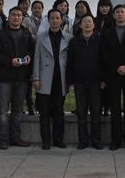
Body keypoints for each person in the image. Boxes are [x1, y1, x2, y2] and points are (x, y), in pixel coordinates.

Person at [0, 7, 35, 150]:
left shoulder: (27, 34)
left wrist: (29, 57)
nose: (16, 17)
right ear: (8, 17)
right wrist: (10, 61)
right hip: (4, 78)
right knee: (2, 111)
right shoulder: (1, 34)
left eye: (19, 15)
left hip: (22, 78)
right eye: (13, 15)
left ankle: (16, 138)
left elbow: (33, 51)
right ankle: (3, 139)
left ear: (22, 18)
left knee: (17, 110)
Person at [100, 4, 125, 150]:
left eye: (122, 12)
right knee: (115, 108)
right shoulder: (106, 33)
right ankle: (115, 140)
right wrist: (117, 66)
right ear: (113, 15)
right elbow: (104, 54)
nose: (120, 14)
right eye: (117, 12)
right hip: (113, 74)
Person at [33, 9, 72, 150]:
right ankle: (46, 141)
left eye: (57, 18)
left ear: (61, 20)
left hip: (60, 80)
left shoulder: (68, 38)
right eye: (52, 18)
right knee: (44, 113)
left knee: (59, 112)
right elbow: (36, 58)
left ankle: (58, 140)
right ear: (48, 20)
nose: (54, 20)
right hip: (44, 80)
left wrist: (70, 80)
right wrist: (36, 78)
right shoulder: (41, 37)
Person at [66, 14, 104, 150]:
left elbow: (104, 61)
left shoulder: (100, 40)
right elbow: (69, 63)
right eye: (85, 22)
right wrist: (70, 81)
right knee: (81, 113)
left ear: (94, 25)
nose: (87, 24)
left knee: (95, 113)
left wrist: (103, 79)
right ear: (80, 25)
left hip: (96, 82)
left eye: (90, 22)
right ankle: (83, 141)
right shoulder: (74, 42)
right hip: (79, 82)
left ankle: (96, 140)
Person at [22, 0, 44, 115]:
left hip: (43, 54)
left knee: (42, 81)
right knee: (29, 82)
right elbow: (25, 35)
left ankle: (40, 105)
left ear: (42, 9)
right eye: (35, 7)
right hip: (30, 52)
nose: (37, 10)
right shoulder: (26, 20)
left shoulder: (46, 20)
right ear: (31, 9)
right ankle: (30, 106)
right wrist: (38, 38)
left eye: (39, 8)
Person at [94, 0, 113, 116]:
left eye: (106, 6)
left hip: (109, 56)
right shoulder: (95, 21)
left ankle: (107, 107)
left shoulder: (113, 21)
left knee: (108, 83)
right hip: (96, 56)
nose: (104, 8)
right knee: (98, 83)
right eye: (102, 6)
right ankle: (98, 106)